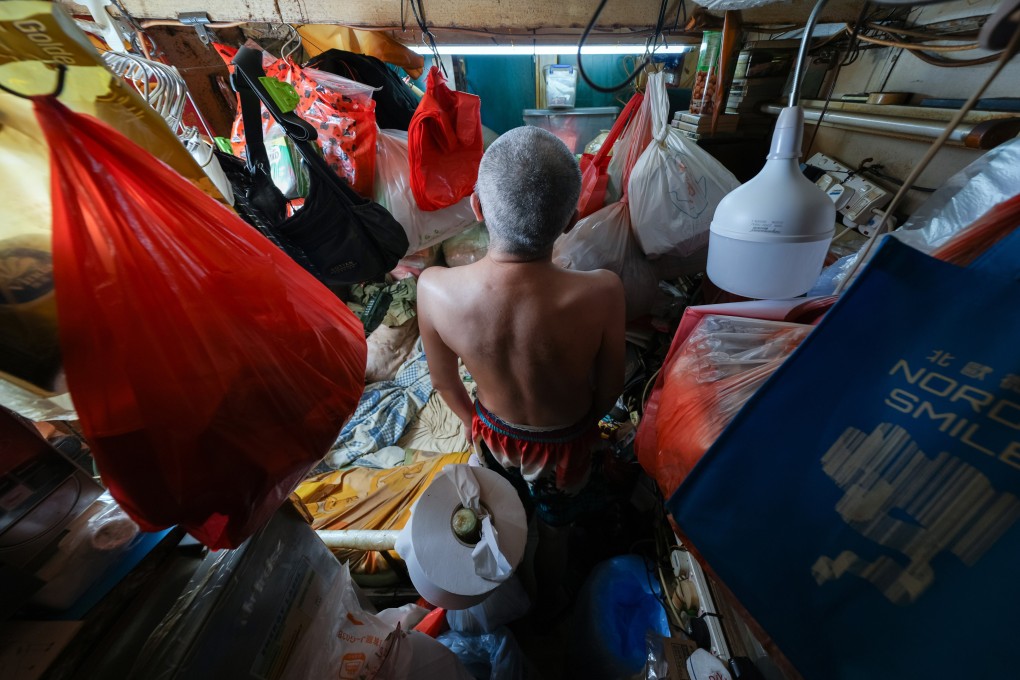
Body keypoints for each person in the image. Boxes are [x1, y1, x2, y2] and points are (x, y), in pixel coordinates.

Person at [417, 126, 625, 612]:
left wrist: (476, 423)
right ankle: (549, 604)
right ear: (572, 220)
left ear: (477, 208)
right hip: (566, 447)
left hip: (493, 437)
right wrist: (586, 428)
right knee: (555, 537)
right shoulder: (603, 291)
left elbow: (445, 383)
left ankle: (509, 598)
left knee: (500, 522)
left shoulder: (434, 289)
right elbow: (612, 388)